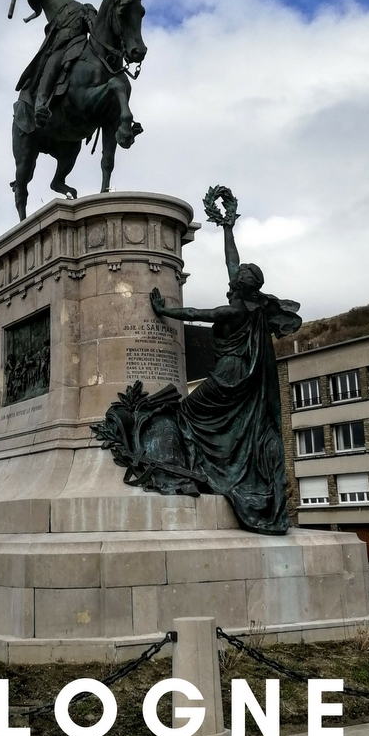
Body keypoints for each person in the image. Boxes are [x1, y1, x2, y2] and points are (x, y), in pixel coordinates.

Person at [150, 214, 302, 535]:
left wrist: (164, 311)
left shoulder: (233, 310)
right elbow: (231, 260)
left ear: (238, 284)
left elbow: (196, 314)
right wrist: (228, 227)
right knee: (209, 421)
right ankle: (204, 465)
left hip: (227, 376)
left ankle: (194, 469)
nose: (236, 272)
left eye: (240, 273)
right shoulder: (253, 306)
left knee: (187, 413)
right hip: (239, 377)